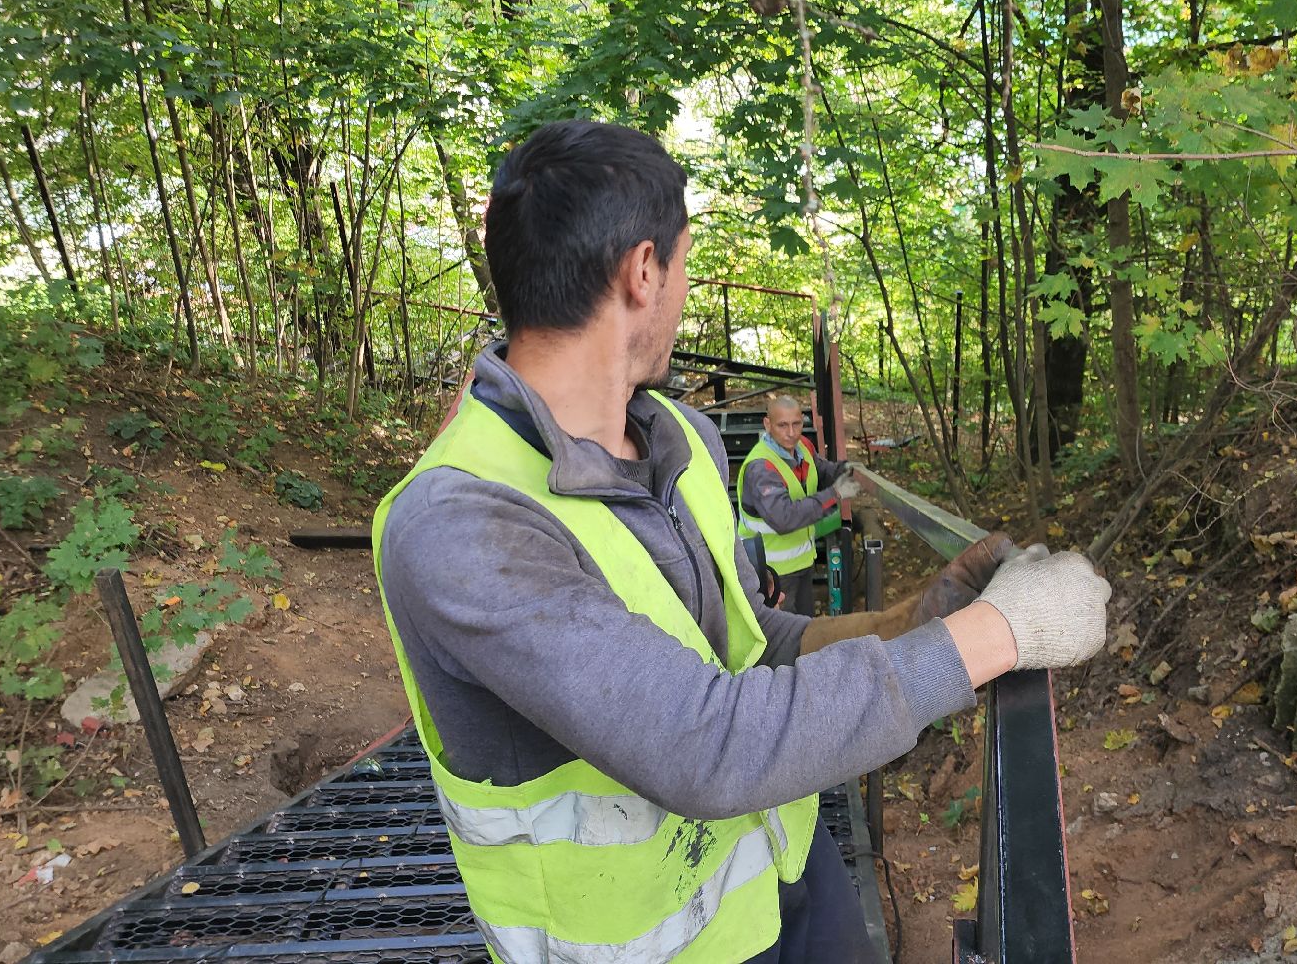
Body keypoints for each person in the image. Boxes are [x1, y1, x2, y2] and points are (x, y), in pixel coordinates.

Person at [372, 119, 1110, 963]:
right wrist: (998, 634)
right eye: (685, 262)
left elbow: (743, 653)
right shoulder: (463, 526)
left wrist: (918, 618)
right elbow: (705, 741)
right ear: (643, 271)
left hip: (779, 873)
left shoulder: (676, 442)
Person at [736, 394, 856, 617]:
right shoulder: (761, 467)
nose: (791, 433)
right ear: (767, 424)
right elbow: (784, 518)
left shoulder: (802, 447)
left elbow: (821, 469)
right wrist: (835, 494)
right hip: (772, 574)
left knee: (804, 630)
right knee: (784, 640)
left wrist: (845, 470)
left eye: (796, 424)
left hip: (800, 564)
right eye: (782, 425)